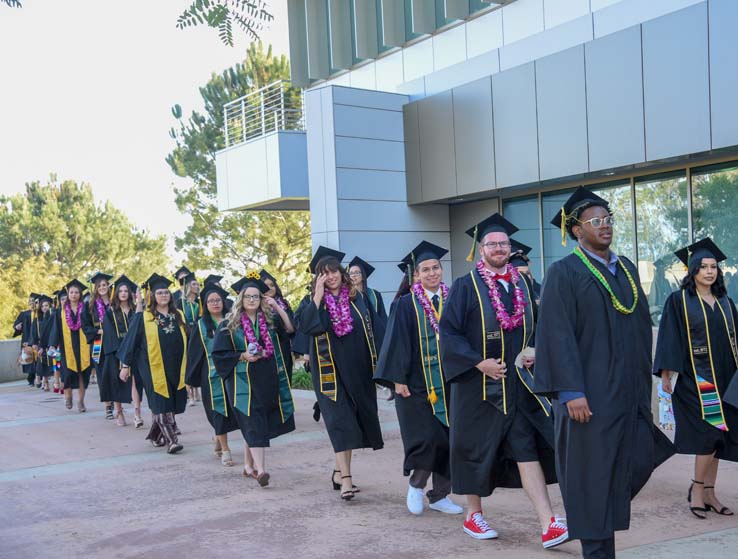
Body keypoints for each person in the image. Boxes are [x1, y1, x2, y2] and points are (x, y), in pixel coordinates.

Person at [533, 187, 675, 559]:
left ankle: (592, 518)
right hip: (588, 395)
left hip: (628, 391)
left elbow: (640, 325)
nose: (604, 226)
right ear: (577, 230)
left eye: (608, 219)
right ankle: (597, 550)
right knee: (593, 476)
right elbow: (556, 334)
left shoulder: (626, 268)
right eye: (595, 221)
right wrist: (568, 391)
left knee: (639, 458)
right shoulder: (564, 272)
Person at [439, 214, 565, 547]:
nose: (499, 248)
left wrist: (533, 349)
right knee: (475, 451)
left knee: (526, 451)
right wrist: (478, 363)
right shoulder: (466, 286)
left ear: (510, 248)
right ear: (481, 249)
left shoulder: (522, 284)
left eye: (504, 243)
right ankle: (473, 515)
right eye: (493, 244)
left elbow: (538, 324)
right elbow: (448, 333)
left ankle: (549, 522)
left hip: (517, 386)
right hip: (477, 389)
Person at [375, 241, 463, 517]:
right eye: (425, 269)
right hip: (415, 385)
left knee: (451, 440)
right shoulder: (405, 305)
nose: (432, 273)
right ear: (416, 276)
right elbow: (396, 343)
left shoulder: (455, 300)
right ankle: (416, 485)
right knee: (427, 440)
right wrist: (397, 379)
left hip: (451, 383)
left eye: (436, 267)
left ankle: (440, 496)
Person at [654, 238, 738, 519]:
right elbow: (668, 338)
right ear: (692, 271)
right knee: (708, 434)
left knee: (720, 437)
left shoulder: (725, 301)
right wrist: (666, 372)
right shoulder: (678, 300)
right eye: (703, 267)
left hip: (726, 377)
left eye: (713, 266)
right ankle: (697, 489)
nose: (710, 272)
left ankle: (710, 492)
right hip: (696, 380)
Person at [296, 246, 385, 501]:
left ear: (341, 272)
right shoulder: (311, 302)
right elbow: (306, 326)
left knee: (352, 424)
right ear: (318, 278)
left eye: (334, 271)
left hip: (358, 371)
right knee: (339, 423)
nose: (331, 276)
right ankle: (346, 480)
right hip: (329, 376)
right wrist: (318, 294)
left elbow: (375, 330)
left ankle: (338, 471)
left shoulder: (357, 298)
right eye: (324, 273)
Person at [212, 273, 296, 486]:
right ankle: (261, 471)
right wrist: (242, 355)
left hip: (266, 379)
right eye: (248, 296)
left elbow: (290, 328)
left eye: (256, 297)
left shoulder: (269, 321)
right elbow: (219, 355)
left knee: (254, 424)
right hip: (243, 382)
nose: (252, 300)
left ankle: (248, 466)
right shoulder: (228, 325)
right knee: (253, 421)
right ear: (241, 299)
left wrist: (276, 307)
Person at [117, 274, 188, 454]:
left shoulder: (178, 315)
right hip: (152, 367)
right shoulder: (144, 317)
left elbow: (189, 337)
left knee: (169, 402)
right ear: (153, 296)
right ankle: (172, 441)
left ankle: (155, 435)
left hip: (175, 366)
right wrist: (125, 366)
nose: (164, 295)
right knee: (161, 402)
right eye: (159, 293)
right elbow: (131, 341)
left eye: (166, 292)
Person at [185, 282, 240, 467]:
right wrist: (190, 379)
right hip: (210, 376)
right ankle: (225, 449)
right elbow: (193, 353)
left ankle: (218, 439)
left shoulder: (233, 321)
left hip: (233, 373)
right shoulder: (200, 325)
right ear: (205, 305)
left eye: (218, 300)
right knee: (217, 412)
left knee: (233, 410)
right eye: (211, 301)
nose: (215, 303)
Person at [101, 275, 139, 427]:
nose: (123, 293)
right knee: (117, 382)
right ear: (116, 293)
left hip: (135, 350)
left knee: (135, 383)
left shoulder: (136, 310)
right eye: (120, 291)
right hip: (117, 351)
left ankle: (137, 413)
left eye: (126, 291)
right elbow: (109, 334)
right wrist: (121, 353)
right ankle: (119, 412)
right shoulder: (110, 312)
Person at [50, 279, 93, 412]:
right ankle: (68, 396)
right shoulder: (60, 311)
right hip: (66, 347)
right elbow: (55, 329)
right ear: (68, 294)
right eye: (71, 292)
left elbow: (90, 325)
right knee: (67, 374)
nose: (73, 295)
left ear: (80, 294)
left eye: (76, 292)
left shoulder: (86, 309)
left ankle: (80, 401)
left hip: (83, 346)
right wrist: (52, 344)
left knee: (82, 374)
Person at [82, 272, 113, 418]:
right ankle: (108, 406)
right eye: (99, 285)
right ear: (95, 288)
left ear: (108, 286)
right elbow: (85, 326)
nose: (102, 287)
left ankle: (116, 401)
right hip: (98, 343)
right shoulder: (90, 305)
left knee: (114, 372)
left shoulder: (115, 302)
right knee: (101, 373)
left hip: (115, 342)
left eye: (104, 285)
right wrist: (97, 330)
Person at [260, 269, 295, 382]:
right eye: (266, 286)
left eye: (272, 285)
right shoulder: (254, 305)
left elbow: (290, 328)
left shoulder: (283, 304)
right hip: (264, 350)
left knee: (285, 383)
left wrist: (276, 306)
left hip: (282, 348)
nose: (270, 288)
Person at [348, 256, 388, 323]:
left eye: (357, 272)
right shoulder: (346, 295)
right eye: (351, 273)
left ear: (363, 276)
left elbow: (383, 318)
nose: (353, 275)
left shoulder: (375, 295)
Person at [30, 295, 55, 392]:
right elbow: (34, 333)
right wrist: (34, 343)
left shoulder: (52, 318)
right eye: (43, 306)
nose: (45, 308)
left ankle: (51, 381)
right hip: (41, 345)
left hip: (51, 344)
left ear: (50, 306)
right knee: (42, 363)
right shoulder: (37, 320)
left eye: (47, 306)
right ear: (40, 307)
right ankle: (45, 383)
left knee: (50, 364)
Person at [13, 294, 38, 386]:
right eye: (30, 301)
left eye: (34, 301)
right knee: (29, 359)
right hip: (27, 339)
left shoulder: (39, 313)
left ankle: (40, 377)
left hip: (38, 340)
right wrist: (17, 327)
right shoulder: (24, 314)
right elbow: (16, 324)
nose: (32, 303)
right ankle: (31, 378)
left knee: (38, 359)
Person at [509, 239, 542, 304]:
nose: (527, 277)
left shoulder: (543, 291)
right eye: (520, 274)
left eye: (528, 273)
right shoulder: (505, 296)